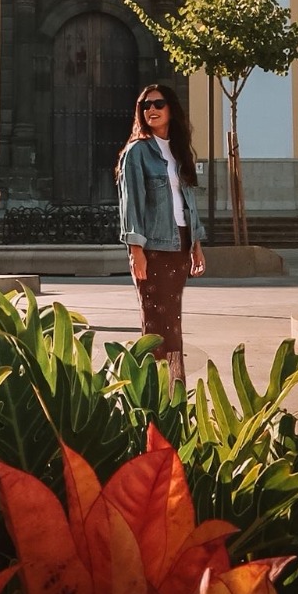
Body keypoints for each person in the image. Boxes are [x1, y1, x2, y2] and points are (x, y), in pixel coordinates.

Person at [117, 82, 205, 385]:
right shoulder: (137, 152)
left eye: (158, 104)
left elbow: (187, 201)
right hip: (153, 246)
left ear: (171, 109)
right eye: (145, 105)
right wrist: (135, 250)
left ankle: (173, 384)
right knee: (155, 317)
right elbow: (131, 204)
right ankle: (153, 386)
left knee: (172, 316)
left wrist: (195, 244)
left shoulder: (179, 151)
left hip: (179, 242)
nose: (151, 109)